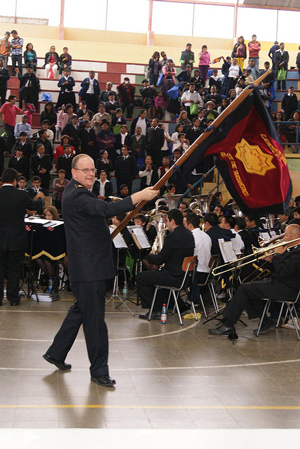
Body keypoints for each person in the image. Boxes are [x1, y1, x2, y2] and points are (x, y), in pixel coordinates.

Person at [43, 154, 158, 385]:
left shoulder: (77, 192)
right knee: (95, 322)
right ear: (73, 173)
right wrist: (139, 196)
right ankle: (99, 372)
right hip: (89, 270)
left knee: (80, 311)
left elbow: (93, 218)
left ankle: (56, 352)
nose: (90, 173)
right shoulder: (77, 194)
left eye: (92, 169)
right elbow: (105, 209)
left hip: (88, 267)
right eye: (84, 170)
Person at [209, 224, 300, 336]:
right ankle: (264, 320)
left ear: (295, 236)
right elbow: (280, 269)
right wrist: (271, 260)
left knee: (244, 289)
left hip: (288, 289)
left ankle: (228, 324)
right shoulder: (291, 250)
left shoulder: (297, 252)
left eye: (286, 235)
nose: (283, 238)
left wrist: (277, 255)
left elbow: (283, 272)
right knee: (247, 287)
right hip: (280, 284)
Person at [137, 208, 195, 320]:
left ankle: (155, 310)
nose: (166, 223)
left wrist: (150, 256)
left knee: (141, 278)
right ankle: (172, 305)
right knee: (155, 276)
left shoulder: (172, 237)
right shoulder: (189, 234)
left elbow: (160, 260)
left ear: (172, 221)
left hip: (173, 277)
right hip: (186, 276)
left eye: (167, 220)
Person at [0, 168, 44, 306]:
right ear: (14, 181)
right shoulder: (22, 195)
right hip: (17, 238)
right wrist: (40, 199)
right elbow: (36, 207)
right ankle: (13, 299)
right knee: (14, 269)